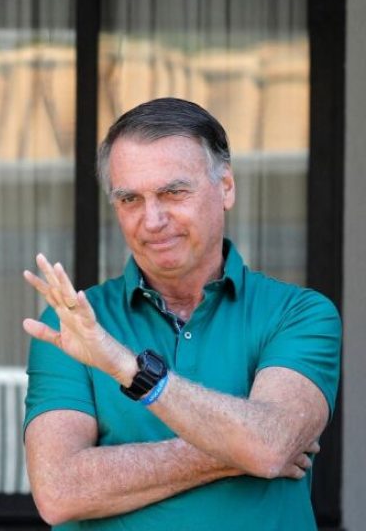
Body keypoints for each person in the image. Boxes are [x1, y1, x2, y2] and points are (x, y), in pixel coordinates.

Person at [21, 97, 341, 530]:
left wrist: (125, 366)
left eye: (173, 192)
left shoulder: (299, 313)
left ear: (226, 187)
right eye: (130, 198)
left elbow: (269, 446)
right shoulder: (75, 322)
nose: (152, 219)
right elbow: (58, 491)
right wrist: (235, 447)